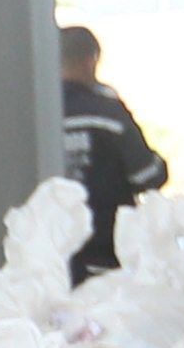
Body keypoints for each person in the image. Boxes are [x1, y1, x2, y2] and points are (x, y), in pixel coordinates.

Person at [58, 26, 166, 281]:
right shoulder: (108, 113)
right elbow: (148, 175)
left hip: (50, 261)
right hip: (105, 256)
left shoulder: (31, 114)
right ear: (90, 60)